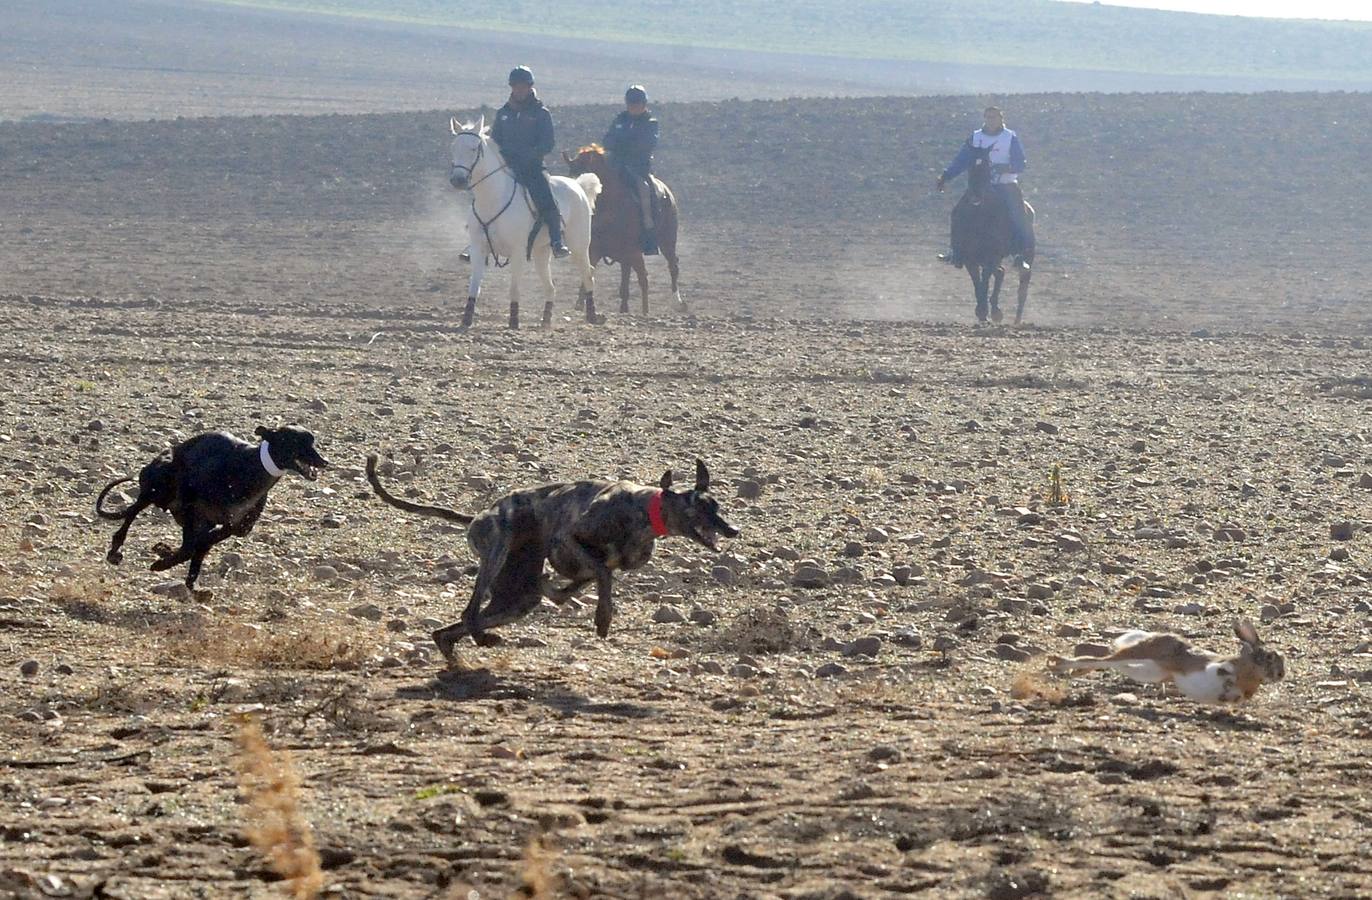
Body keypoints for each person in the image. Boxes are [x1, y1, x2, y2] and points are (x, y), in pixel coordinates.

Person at [937, 106, 1032, 271]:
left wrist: (1008, 168)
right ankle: (955, 251)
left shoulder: (1009, 137)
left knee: (1019, 214)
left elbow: (1020, 162)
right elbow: (962, 159)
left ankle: (1020, 253)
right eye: (988, 117)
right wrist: (946, 176)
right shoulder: (976, 137)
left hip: (1005, 184)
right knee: (957, 213)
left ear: (1001, 118)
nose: (991, 120)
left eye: (994, 117)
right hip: (980, 185)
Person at [491, 66, 569, 257]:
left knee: (546, 197)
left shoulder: (541, 113)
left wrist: (530, 154)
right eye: (516, 86)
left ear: (529, 87)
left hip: (532, 167)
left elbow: (548, 143)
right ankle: (477, 238)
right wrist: (503, 156)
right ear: (511, 87)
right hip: (507, 166)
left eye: (523, 86)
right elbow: (495, 140)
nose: (519, 89)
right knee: (484, 193)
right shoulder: (503, 113)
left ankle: (557, 241)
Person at [602, 84, 661, 254]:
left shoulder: (650, 123)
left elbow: (647, 144)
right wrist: (618, 147)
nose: (633, 107)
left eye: (637, 103)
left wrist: (623, 146)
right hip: (616, 166)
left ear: (644, 104)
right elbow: (607, 140)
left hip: (638, 168)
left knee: (644, 190)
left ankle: (649, 230)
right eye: (631, 103)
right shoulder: (620, 120)